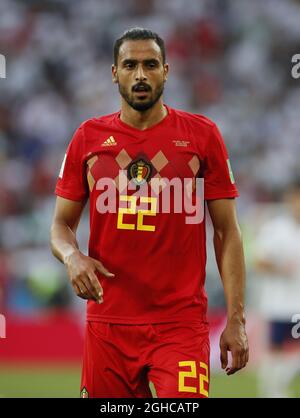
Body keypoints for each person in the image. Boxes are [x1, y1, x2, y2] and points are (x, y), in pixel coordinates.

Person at [50, 27, 248, 398]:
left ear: (166, 70)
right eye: (130, 65)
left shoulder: (202, 136)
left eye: (150, 64)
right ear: (115, 73)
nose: (140, 74)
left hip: (180, 325)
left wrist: (236, 318)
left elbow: (227, 231)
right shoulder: (88, 137)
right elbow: (61, 225)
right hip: (108, 324)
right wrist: (71, 255)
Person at [255, 181, 300, 397]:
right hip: (278, 303)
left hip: (297, 303)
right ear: (290, 199)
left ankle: (276, 387)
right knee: (277, 348)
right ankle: (271, 390)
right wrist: (281, 268)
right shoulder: (276, 228)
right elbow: (259, 261)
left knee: (291, 351)